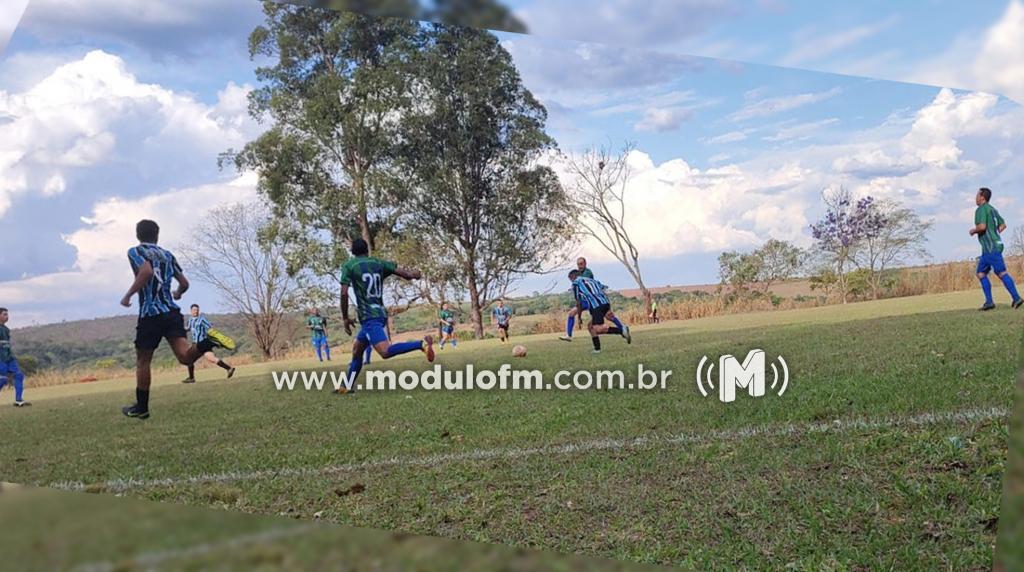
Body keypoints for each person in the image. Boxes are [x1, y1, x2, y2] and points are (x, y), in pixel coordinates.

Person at [119, 220, 202, 419]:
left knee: (143, 360)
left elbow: (146, 271)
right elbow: (184, 283)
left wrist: (129, 294)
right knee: (185, 356)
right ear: (157, 235)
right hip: (172, 312)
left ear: (138, 234)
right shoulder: (167, 255)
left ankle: (142, 407)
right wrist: (178, 293)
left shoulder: (136, 251)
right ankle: (208, 342)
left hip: (150, 313)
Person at [338, 239, 434, 394]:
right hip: (379, 313)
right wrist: (414, 275)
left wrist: (345, 318)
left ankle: (420, 344)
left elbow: (343, 293)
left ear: (352, 251)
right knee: (357, 349)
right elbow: (405, 274)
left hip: (369, 316)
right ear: (367, 250)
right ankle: (346, 385)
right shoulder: (378, 263)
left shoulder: (350, 266)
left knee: (385, 352)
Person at [971, 187, 1022, 311]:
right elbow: (1003, 225)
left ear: (982, 197)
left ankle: (1016, 298)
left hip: (990, 247)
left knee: (1001, 272)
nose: (975, 198)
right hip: (995, 245)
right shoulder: (993, 210)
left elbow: (982, 227)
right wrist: (994, 232)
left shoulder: (981, 209)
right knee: (981, 273)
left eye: (977, 195)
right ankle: (989, 302)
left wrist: (973, 230)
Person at [568, 269, 631, 353]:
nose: (571, 281)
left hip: (596, 306)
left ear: (572, 276)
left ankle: (621, 330)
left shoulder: (576, 283)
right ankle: (597, 349)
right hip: (605, 303)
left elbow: (578, 302)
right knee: (590, 326)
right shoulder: (593, 280)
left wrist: (579, 317)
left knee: (597, 329)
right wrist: (608, 307)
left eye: (570, 279)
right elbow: (604, 291)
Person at [182, 304, 235, 383]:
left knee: (188, 358)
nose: (195, 311)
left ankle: (191, 378)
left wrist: (215, 337)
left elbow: (210, 329)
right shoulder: (190, 320)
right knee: (212, 359)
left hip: (201, 342)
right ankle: (229, 368)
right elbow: (188, 328)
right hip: (197, 343)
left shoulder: (202, 319)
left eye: (197, 310)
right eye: (194, 310)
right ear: (191, 311)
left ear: (198, 311)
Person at [560, 257, 596, 342]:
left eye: (581, 264)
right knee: (571, 314)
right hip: (583, 300)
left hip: (592, 300)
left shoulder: (587, 273)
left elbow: (582, 284)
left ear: (585, 263)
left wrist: (579, 318)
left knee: (607, 316)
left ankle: (621, 328)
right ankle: (568, 335)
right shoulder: (578, 274)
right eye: (578, 264)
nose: (579, 266)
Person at [0, 308, 30, 407]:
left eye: (7, 314)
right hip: (1, 358)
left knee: (19, 375)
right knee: (3, 380)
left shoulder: (6, 329)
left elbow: (6, 344)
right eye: (4, 314)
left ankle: (19, 400)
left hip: (9, 357)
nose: (7, 316)